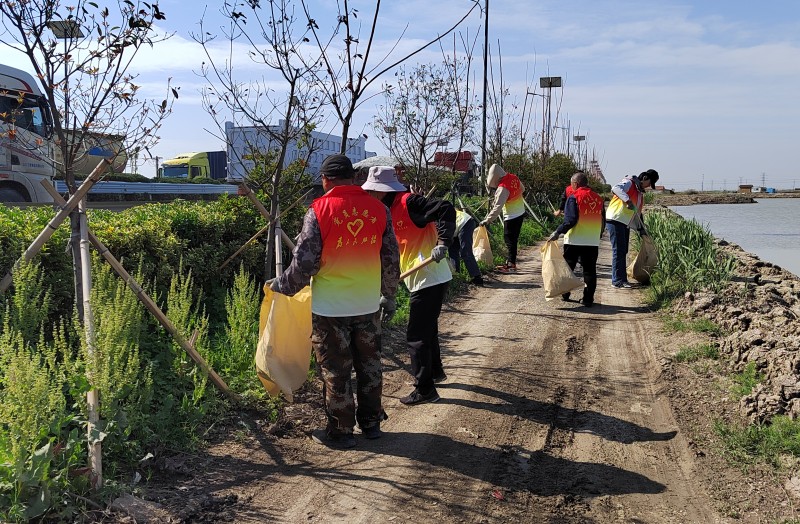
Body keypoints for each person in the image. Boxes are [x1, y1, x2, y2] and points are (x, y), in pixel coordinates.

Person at [271, 154, 400, 449]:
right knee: (370, 365)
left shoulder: (319, 210)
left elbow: (305, 262)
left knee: (336, 370)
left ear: (325, 180)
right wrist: (389, 294)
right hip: (367, 305)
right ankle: (371, 424)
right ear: (353, 178)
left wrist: (283, 286)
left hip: (330, 310)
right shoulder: (379, 209)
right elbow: (391, 256)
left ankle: (341, 431)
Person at [362, 166, 456, 406]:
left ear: (382, 190)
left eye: (372, 191)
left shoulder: (409, 203)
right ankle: (435, 372)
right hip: (424, 278)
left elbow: (445, 208)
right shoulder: (388, 210)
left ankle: (425, 389)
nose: (370, 195)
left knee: (416, 336)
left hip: (430, 275)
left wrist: (443, 242)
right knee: (427, 330)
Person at [548, 172, 605, 307]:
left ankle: (565, 293)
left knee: (568, 267)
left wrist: (558, 232)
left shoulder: (574, 197)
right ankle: (588, 299)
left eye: (571, 184)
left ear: (575, 184)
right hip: (592, 240)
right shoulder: (598, 198)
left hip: (574, 239)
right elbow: (603, 220)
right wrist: (599, 234)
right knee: (589, 270)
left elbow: (570, 220)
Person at [605, 169, 659, 288]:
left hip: (624, 222)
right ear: (645, 178)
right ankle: (617, 281)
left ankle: (622, 279)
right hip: (615, 219)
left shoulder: (639, 193)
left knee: (623, 251)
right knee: (618, 250)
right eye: (650, 183)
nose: (649, 186)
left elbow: (638, 214)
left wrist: (642, 229)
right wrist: (627, 200)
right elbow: (616, 188)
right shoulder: (629, 182)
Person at [480, 164, 525, 272]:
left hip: (511, 215)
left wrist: (487, 220)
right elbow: (523, 189)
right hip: (521, 212)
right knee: (513, 240)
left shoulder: (503, 187)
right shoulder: (513, 177)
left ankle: (511, 265)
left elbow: (497, 208)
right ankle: (511, 262)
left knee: (509, 240)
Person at [449, 207, 484, 286]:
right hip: (456, 227)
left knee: (465, 251)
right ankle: (455, 276)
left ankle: (477, 278)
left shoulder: (434, 220)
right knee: (452, 251)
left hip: (464, 222)